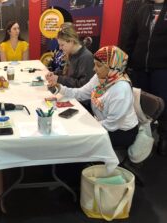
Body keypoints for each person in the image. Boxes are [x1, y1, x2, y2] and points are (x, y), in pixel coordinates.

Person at [48, 46, 139, 147]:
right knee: (73, 134)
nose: (94, 69)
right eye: (94, 64)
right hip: (101, 122)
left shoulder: (121, 90)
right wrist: (60, 88)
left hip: (121, 132)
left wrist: (86, 128)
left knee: (78, 143)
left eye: (98, 65)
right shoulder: (101, 77)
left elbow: (112, 124)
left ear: (112, 67)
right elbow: (81, 93)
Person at [123, 0, 167, 155]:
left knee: (162, 105)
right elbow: (131, 38)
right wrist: (126, 61)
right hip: (140, 67)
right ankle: (140, 141)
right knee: (140, 105)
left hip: (162, 69)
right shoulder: (142, 10)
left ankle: (163, 137)